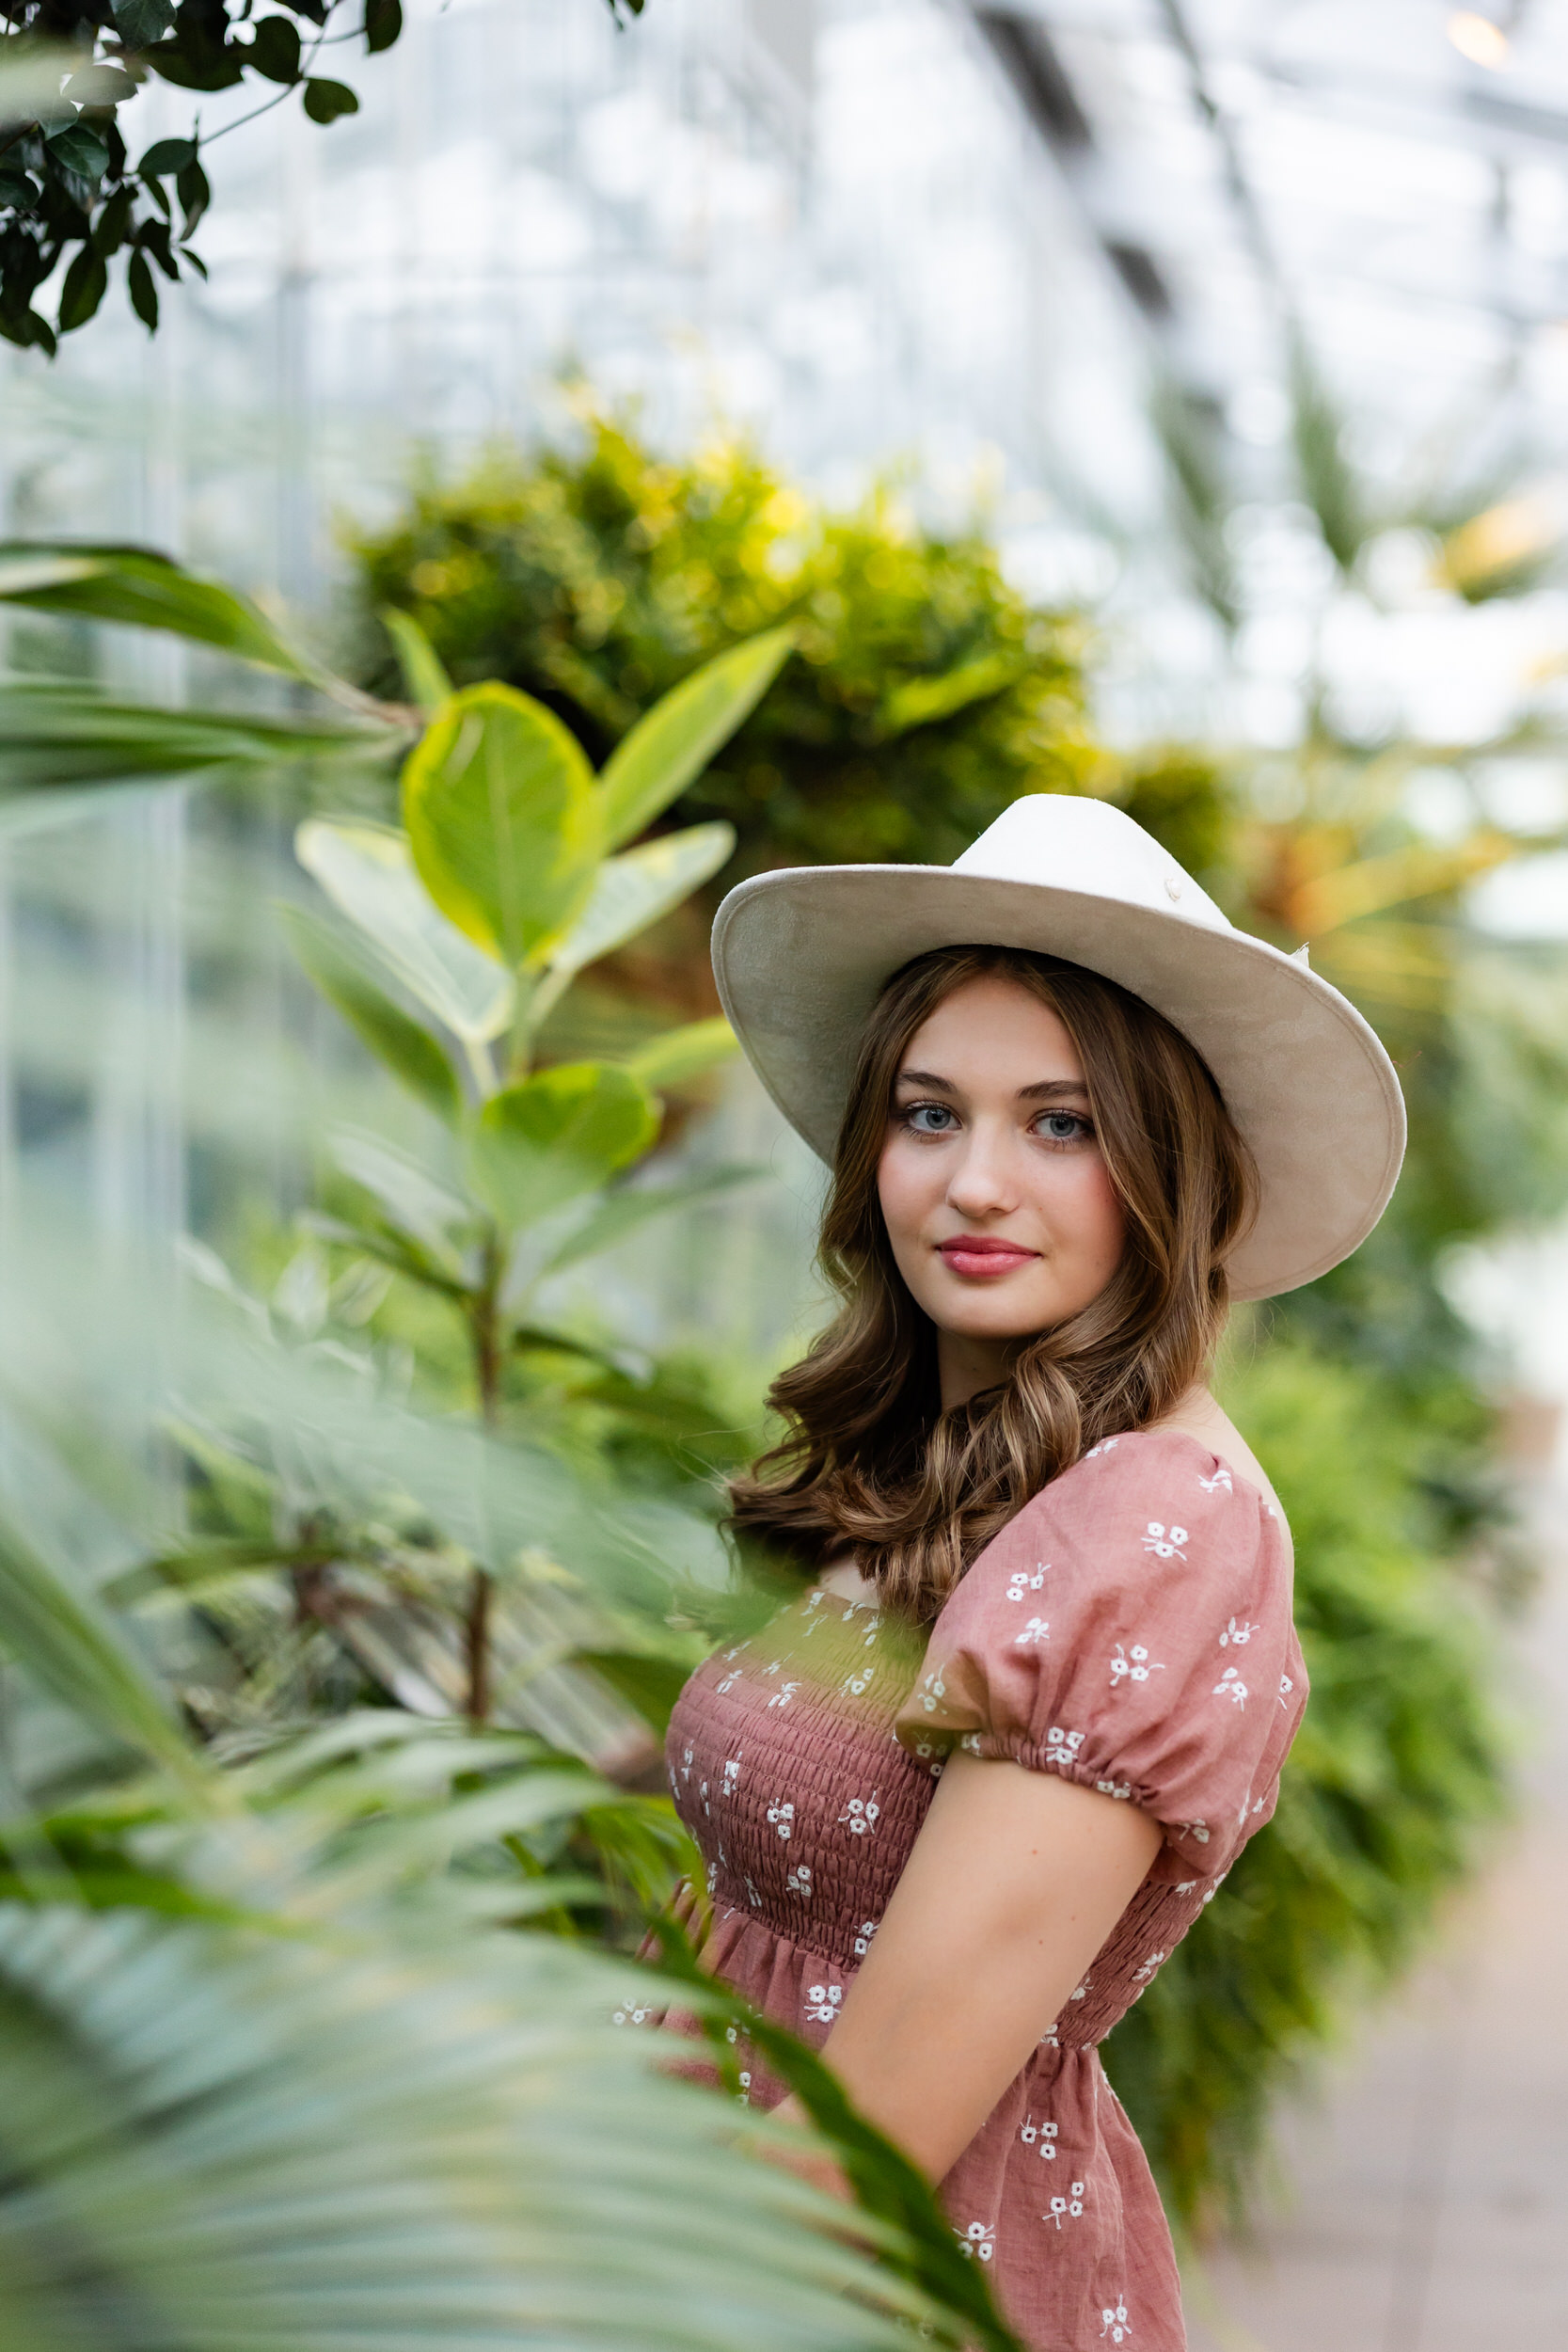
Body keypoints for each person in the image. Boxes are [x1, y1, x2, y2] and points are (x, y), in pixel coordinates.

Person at [664, 794, 1405, 2352]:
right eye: (930, 1114)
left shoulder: (1154, 1527)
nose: (976, 1182)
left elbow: (858, 2158)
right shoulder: (958, 1467)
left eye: (1059, 1125)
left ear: (1165, 1170)